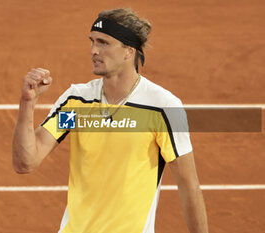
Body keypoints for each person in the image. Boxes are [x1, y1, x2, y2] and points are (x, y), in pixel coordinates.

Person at [12, 8, 208, 233]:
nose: (93, 50)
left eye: (104, 43)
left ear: (128, 51)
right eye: (92, 41)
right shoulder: (77, 103)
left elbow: (189, 187)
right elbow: (25, 162)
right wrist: (28, 102)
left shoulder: (162, 108)